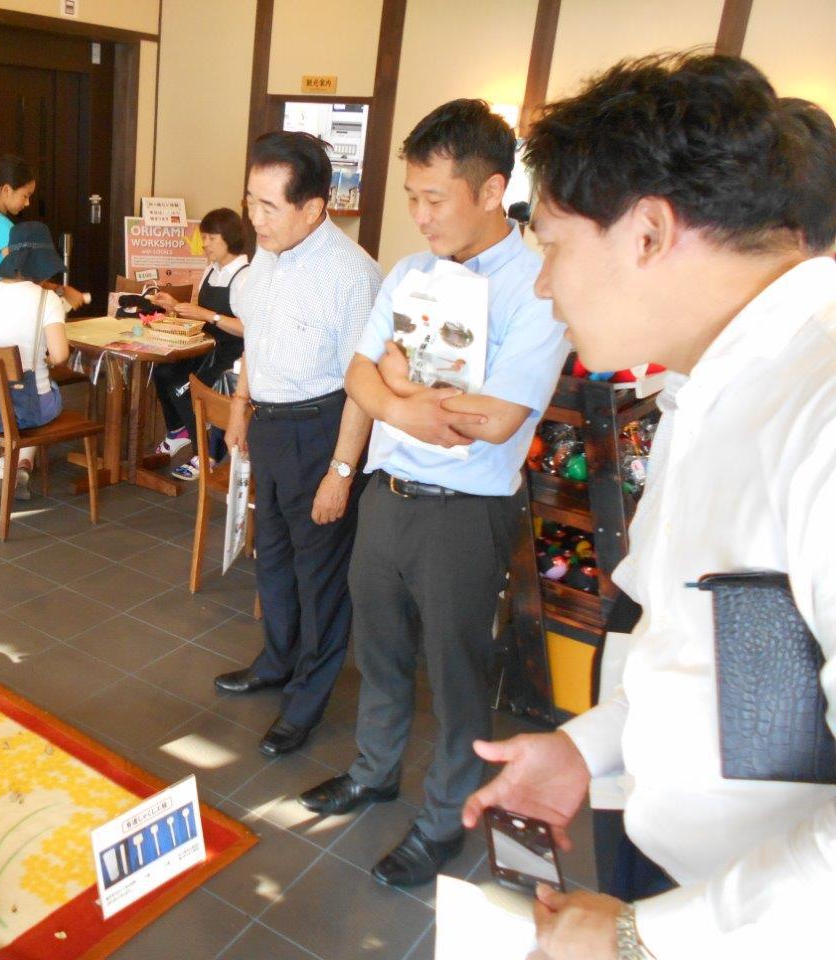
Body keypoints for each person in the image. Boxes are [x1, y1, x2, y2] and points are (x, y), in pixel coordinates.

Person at [459, 54, 836, 959]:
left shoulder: (820, 414)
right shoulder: (709, 389)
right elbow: (725, 659)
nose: (544, 285)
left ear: (650, 232)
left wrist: (645, 938)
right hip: (692, 876)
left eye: (551, 244)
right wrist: (588, 747)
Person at [297, 100, 567, 891]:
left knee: (454, 674)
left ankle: (446, 817)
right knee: (376, 653)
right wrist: (408, 405)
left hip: (465, 514)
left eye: (434, 199)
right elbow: (356, 373)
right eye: (411, 196)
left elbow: (495, 421)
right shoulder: (411, 272)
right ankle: (375, 771)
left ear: (490, 190)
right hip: (389, 493)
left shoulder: (535, 288)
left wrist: (397, 388)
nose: (418, 216)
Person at [215, 131, 383, 757]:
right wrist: (240, 407)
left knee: (321, 575)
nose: (254, 218)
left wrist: (341, 471)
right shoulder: (266, 257)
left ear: (314, 208)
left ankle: (308, 699)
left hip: (324, 429)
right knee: (275, 557)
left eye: (269, 206)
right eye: (250, 201)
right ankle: (276, 661)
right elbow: (256, 337)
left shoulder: (353, 274)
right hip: (271, 426)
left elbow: (363, 385)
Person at [0, 220, 71, 501]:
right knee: (51, 394)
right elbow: (60, 355)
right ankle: (23, 465)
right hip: (29, 407)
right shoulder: (48, 300)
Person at [149, 207, 250, 480]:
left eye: (210, 238)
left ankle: (207, 454)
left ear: (229, 239)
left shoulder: (245, 277)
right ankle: (178, 432)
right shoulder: (210, 270)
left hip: (231, 358)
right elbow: (201, 312)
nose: (204, 244)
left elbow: (250, 329)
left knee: (184, 390)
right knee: (162, 372)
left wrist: (209, 316)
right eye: (203, 237)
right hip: (204, 350)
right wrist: (175, 306)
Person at [0, 155, 86, 308]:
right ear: (6, 190)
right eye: (25, 195)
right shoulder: (2, 228)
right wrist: (62, 291)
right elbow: (24, 282)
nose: (27, 203)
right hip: (3, 309)